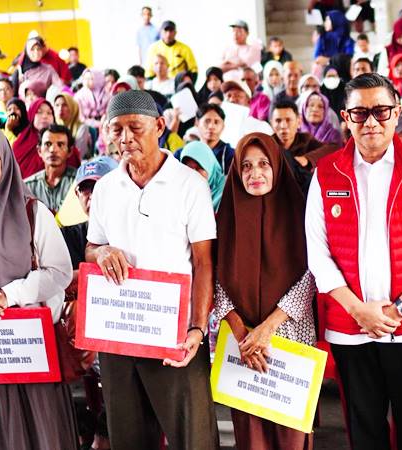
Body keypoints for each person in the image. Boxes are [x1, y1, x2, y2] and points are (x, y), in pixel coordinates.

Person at [305, 73, 402, 450]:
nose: (371, 121)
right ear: (345, 116)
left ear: (397, 112)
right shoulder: (326, 173)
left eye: (381, 111)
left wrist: (398, 310)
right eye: (360, 113)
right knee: (364, 427)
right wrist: (360, 312)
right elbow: (317, 255)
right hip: (350, 326)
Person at [84, 90, 219, 449]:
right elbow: (91, 247)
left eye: (135, 128)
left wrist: (198, 328)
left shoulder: (190, 185)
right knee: (128, 436)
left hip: (173, 333)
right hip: (118, 331)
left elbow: (204, 261)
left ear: (159, 126)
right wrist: (102, 253)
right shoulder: (106, 189)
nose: (125, 138)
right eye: (117, 130)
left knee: (193, 436)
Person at [212, 132, 315, 449]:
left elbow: (312, 274)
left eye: (263, 164)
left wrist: (267, 329)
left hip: (289, 338)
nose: (254, 173)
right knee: (250, 435)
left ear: (277, 167)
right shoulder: (225, 216)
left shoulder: (300, 213)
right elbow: (215, 277)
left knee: (291, 436)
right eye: (245, 166)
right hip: (241, 344)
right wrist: (244, 334)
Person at [0, 122, 78, 450]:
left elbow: (60, 272)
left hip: (28, 352)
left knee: (38, 433)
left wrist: (9, 295)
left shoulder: (33, 211)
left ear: (6, 158)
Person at [13, 98, 79, 178]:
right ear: (31, 115)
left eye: (49, 113)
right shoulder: (19, 145)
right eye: (39, 112)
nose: (44, 116)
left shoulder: (65, 142)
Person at [23, 124, 77, 213]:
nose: (53, 150)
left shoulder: (78, 183)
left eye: (60, 144)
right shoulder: (27, 187)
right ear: (39, 151)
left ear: (70, 151)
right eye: (48, 144)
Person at [183, 103, 235, 175]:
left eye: (216, 122)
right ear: (197, 123)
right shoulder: (183, 153)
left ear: (223, 126)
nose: (211, 126)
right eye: (207, 121)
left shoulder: (231, 155)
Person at [179, 141, 226, 212]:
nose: (194, 174)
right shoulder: (180, 191)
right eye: (189, 168)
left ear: (209, 167)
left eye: (199, 168)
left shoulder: (227, 191)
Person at [54, 93, 94, 159]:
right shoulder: (53, 127)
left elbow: (78, 155)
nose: (60, 108)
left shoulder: (82, 128)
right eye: (57, 105)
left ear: (72, 107)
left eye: (65, 105)